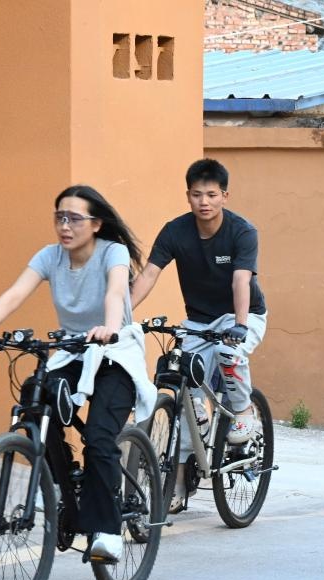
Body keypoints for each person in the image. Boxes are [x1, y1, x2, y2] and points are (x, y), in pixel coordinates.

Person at [0, 185, 156, 562]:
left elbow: (116, 292)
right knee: (35, 397)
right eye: (59, 218)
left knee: (99, 439)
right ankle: (60, 486)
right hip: (72, 352)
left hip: (115, 354)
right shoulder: (50, 257)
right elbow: (16, 292)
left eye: (74, 219)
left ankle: (108, 530)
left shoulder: (111, 253)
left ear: (96, 224)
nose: (65, 226)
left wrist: (109, 328)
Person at [130, 158, 268, 512]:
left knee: (229, 355)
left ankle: (242, 412)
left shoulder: (242, 231)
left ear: (224, 195)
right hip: (199, 322)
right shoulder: (176, 231)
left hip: (243, 314)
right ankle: (177, 485)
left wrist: (238, 325)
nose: (203, 201)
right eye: (196, 194)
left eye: (211, 194)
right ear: (187, 196)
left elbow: (241, 279)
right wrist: (120, 316)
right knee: (180, 382)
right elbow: (147, 276)